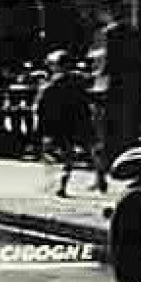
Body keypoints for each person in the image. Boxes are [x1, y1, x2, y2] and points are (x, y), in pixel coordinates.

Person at [88, 3, 141, 192]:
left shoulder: (109, 33)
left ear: (109, 12)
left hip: (109, 89)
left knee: (102, 134)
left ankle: (101, 176)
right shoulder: (134, 32)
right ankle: (128, 171)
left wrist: (94, 80)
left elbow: (106, 64)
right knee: (127, 132)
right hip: (130, 90)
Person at [36, 50, 93, 197]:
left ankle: (57, 183)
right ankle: (62, 183)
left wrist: (41, 127)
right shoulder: (77, 81)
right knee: (72, 153)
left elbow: (41, 107)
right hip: (74, 121)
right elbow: (84, 101)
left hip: (58, 124)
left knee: (53, 153)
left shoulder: (50, 85)